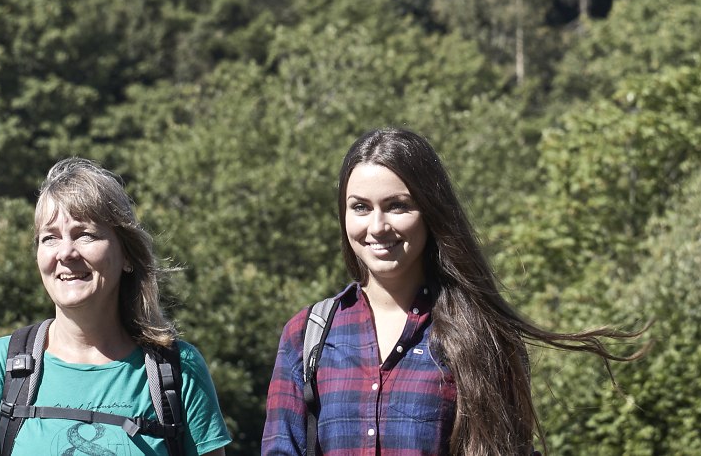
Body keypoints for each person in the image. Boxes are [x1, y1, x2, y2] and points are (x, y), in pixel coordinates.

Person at [261, 127, 643, 456]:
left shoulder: (483, 335)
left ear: (431, 212)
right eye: (360, 207)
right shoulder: (306, 335)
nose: (376, 226)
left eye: (397, 206)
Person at [0, 157, 232, 456]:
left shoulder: (177, 369)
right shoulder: (0, 366)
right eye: (50, 238)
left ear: (126, 255)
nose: (66, 253)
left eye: (85, 235)